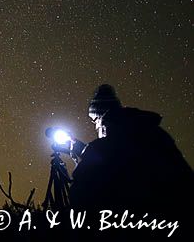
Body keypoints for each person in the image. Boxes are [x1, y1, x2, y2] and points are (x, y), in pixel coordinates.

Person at [69, 84, 193, 239]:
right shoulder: (155, 134)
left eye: (94, 120)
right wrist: (84, 150)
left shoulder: (106, 146)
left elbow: (80, 195)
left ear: (102, 118)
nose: (96, 127)